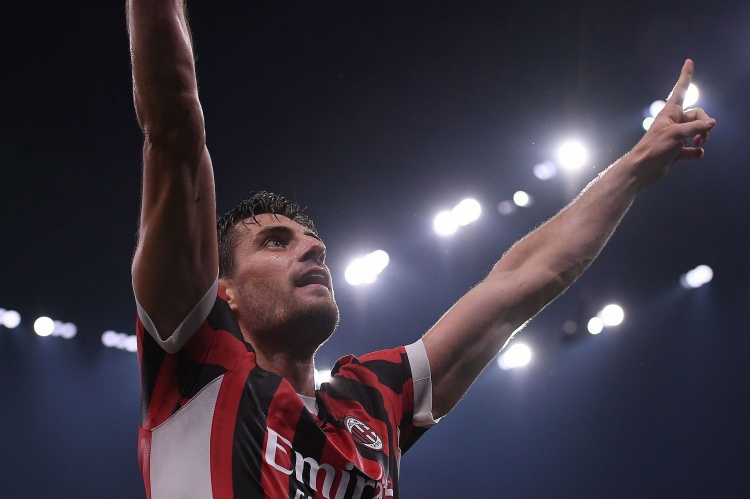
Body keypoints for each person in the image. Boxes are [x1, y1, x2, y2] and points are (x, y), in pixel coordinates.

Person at [127, 1, 715, 497]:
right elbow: (174, 126)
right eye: (275, 242)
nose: (312, 248)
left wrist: (635, 167)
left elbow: (522, 283)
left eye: (312, 239)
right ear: (223, 293)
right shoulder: (195, 365)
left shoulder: (371, 403)